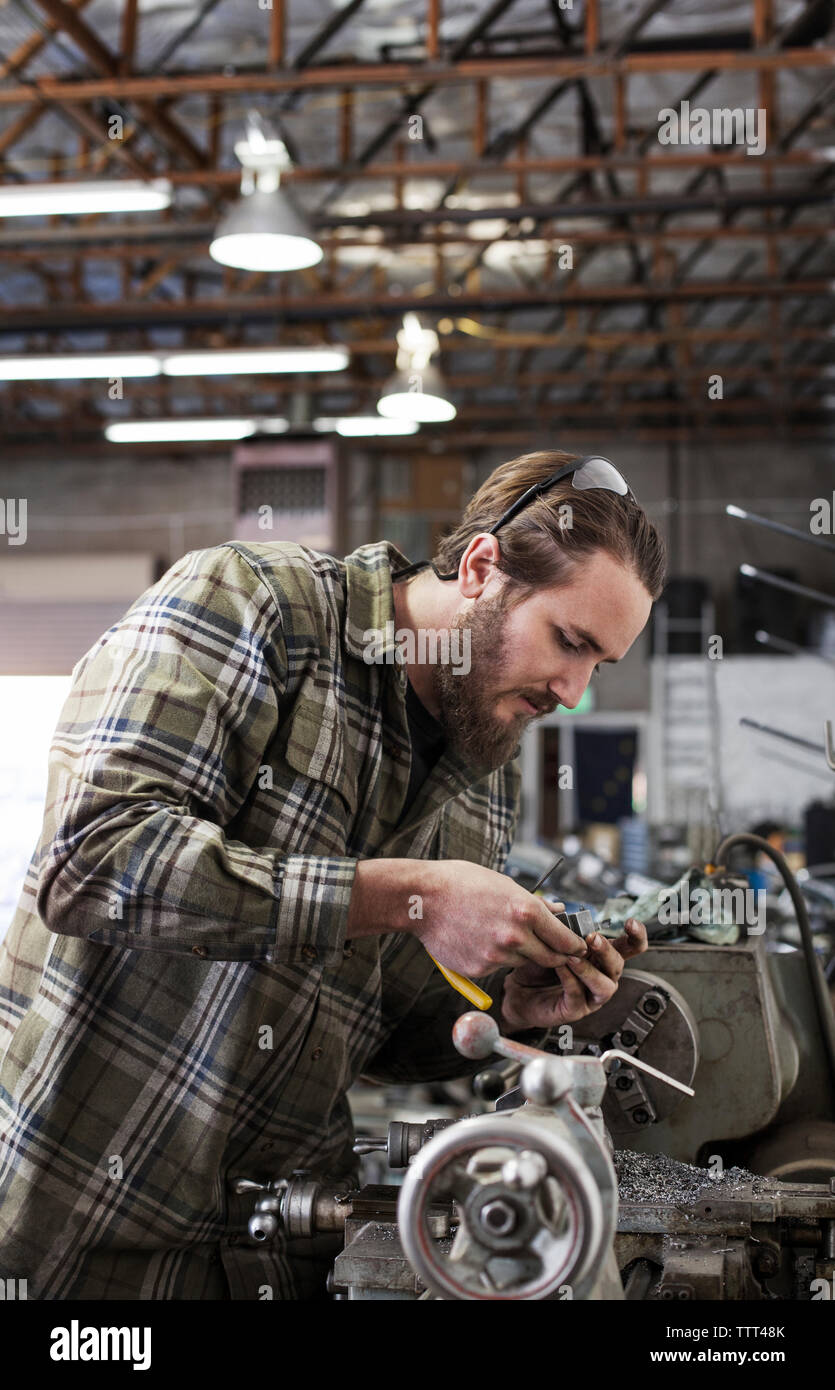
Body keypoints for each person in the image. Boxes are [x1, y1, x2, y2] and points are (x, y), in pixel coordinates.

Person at [0, 450, 666, 1300]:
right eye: (567, 642)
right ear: (479, 567)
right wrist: (410, 895)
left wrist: (512, 1005)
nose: (572, 693)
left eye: (598, 666)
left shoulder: (483, 777)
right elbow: (90, 858)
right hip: (79, 1228)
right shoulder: (255, 606)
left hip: (276, 1249)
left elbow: (374, 1036)